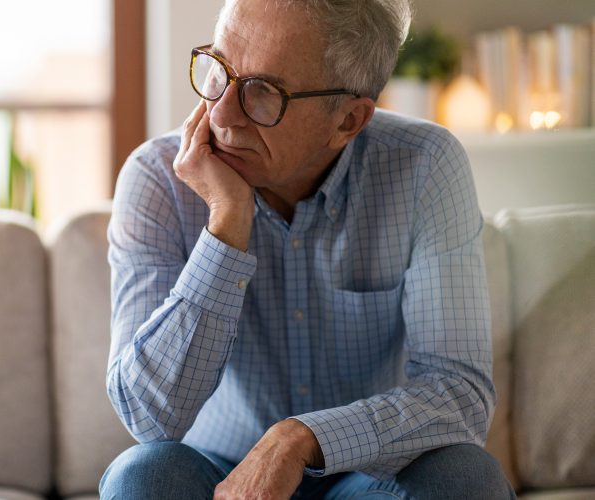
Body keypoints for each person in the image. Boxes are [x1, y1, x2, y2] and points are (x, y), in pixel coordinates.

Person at [100, 0, 515, 498]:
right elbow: (149, 416)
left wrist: (301, 440)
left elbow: (460, 394)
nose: (222, 112)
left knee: (467, 477)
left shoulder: (425, 165)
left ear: (348, 120)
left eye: (262, 92)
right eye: (220, 68)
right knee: (142, 476)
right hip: (218, 475)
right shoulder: (158, 178)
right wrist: (227, 225)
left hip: (370, 477)